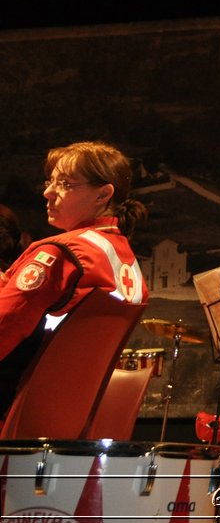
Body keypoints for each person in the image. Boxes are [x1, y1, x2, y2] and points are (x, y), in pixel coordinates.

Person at [0, 141, 150, 412]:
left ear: (103, 194)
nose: (47, 192)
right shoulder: (122, 255)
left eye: (65, 184)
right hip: (66, 409)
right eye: (50, 181)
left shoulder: (62, 253)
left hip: (20, 406)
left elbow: (5, 325)